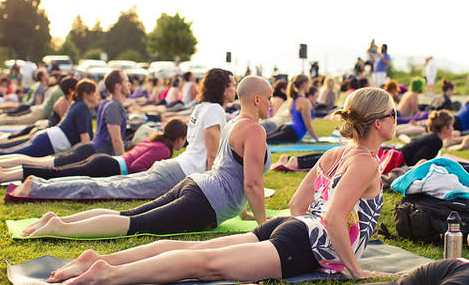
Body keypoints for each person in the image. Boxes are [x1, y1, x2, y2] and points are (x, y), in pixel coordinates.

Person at [38, 86, 395, 285]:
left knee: (194, 251)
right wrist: (355, 269)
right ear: (379, 122)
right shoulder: (366, 162)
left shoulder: (336, 152)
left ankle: (98, 261)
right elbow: (333, 218)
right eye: (392, 114)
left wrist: (311, 229)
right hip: (303, 242)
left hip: (294, 229)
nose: (394, 120)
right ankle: (108, 275)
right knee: (205, 262)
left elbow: (300, 206)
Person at [18, 75, 272, 240]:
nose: (271, 104)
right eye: (269, 98)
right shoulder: (254, 130)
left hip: (197, 184)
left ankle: (58, 220)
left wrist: (246, 211)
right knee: (134, 224)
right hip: (206, 200)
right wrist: (263, 227)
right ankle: (60, 228)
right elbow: (251, 183)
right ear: (257, 98)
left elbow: (231, 171)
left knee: (129, 214)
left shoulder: (233, 122)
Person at [10, 68, 236, 200]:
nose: (235, 89)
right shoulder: (215, 110)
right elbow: (213, 156)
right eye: (233, 85)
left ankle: (38, 183)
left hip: (174, 168)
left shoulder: (202, 107)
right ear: (222, 88)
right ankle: (38, 186)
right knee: (107, 188)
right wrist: (210, 193)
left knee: (106, 185)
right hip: (178, 172)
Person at [0, 119, 187, 183]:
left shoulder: (155, 140)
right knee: (56, 174)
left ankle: (8, 173)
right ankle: (6, 175)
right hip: (108, 167)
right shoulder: (163, 149)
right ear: (179, 138)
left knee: (57, 172)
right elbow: (138, 166)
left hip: (105, 162)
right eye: (184, 139)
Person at [273, 109, 453, 172]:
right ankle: (294, 162)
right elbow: (420, 160)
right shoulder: (435, 141)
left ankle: (294, 161)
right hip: (390, 160)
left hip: (389, 155)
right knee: (341, 158)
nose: (452, 130)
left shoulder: (431, 137)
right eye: (451, 127)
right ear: (444, 129)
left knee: (339, 156)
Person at [0, 78, 97, 157]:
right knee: (11, 154)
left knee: (10, 152)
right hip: (49, 141)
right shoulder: (82, 107)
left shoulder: (77, 105)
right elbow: (85, 138)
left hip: (47, 138)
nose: (97, 95)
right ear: (85, 94)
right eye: (94, 92)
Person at [267, 74, 319, 143]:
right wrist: (317, 140)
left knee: (265, 138)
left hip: (287, 127)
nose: (309, 86)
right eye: (308, 83)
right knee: (265, 140)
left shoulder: (292, 100)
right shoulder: (305, 102)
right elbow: (308, 125)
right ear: (304, 84)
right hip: (292, 132)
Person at [91, 70, 130, 156]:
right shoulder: (114, 106)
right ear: (118, 86)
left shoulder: (107, 102)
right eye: (126, 81)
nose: (129, 84)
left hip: (96, 150)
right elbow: (116, 140)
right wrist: (122, 163)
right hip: (100, 153)